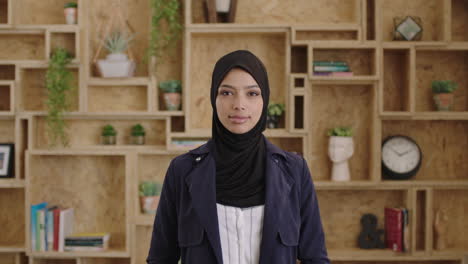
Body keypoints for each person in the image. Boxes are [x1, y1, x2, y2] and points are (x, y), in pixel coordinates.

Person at [146, 50, 330, 264]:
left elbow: (315, 258)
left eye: (252, 93)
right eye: (226, 93)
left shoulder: (294, 170)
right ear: (214, 98)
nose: (239, 104)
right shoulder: (182, 170)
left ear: (265, 100)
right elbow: (160, 259)